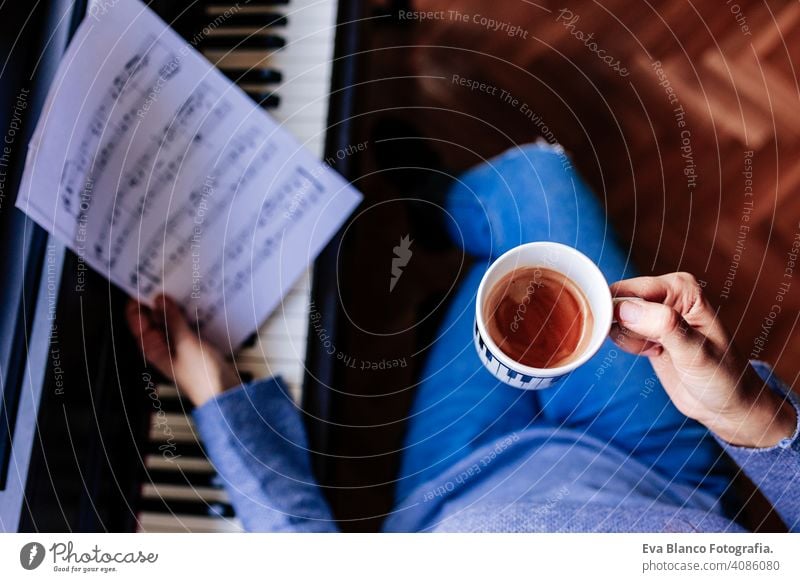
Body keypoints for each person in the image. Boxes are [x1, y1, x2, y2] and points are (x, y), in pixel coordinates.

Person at [127, 142, 799, 532]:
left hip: (457, 482)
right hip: (655, 472)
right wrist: (747, 413)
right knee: (539, 178)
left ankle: (442, 232)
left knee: (511, 229)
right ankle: (438, 218)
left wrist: (219, 396)